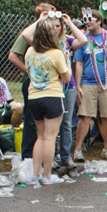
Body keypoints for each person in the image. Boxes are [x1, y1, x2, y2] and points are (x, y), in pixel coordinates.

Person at [21, 11, 87, 169]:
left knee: (63, 125)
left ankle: (63, 157)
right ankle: (49, 168)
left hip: (51, 91)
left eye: (58, 26)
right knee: (49, 135)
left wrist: (69, 23)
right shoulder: (49, 50)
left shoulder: (37, 50)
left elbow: (83, 40)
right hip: (52, 92)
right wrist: (41, 20)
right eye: (51, 26)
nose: (55, 29)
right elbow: (25, 35)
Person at [23, 18, 73, 185]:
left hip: (34, 97)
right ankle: (47, 175)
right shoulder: (56, 53)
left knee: (41, 136)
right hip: (52, 96)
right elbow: (66, 77)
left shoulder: (30, 52)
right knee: (51, 137)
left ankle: (35, 174)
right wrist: (67, 61)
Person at [72, 10, 107, 162]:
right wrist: (77, 84)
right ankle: (77, 150)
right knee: (85, 116)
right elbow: (79, 64)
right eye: (85, 19)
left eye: (90, 19)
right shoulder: (83, 40)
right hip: (88, 82)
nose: (87, 22)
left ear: (99, 21)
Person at [8, 3, 55, 160]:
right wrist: (30, 71)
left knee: (47, 122)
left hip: (50, 84)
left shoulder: (52, 35)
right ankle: (27, 157)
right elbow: (13, 56)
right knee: (31, 120)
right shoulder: (30, 33)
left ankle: (45, 156)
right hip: (32, 83)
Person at [0, 58, 22, 128]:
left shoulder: (1, 81)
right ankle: (15, 131)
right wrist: (3, 105)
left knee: (25, 107)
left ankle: (17, 132)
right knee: (18, 107)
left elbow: (9, 99)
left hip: (5, 107)